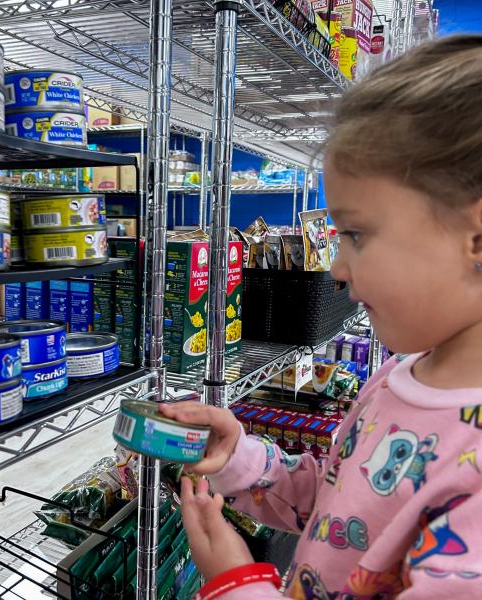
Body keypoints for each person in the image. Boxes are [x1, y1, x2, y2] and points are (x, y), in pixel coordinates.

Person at [160, 35, 482, 598]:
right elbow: (344, 509)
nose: (334, 268)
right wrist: (243, 458)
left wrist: (238, 585)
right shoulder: (398, 375)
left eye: (355, 234)